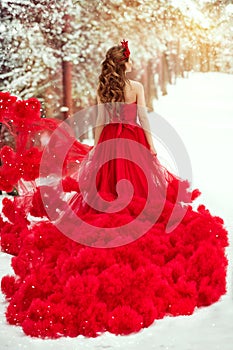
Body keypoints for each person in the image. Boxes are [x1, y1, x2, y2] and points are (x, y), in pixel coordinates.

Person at [0, 40, 228, 339]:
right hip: (132, 142)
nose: (131, 64)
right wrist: (150, 148)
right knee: (140, 194)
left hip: (109, 142)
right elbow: (143, 119)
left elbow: (98, 122)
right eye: (129, 60)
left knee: (104, 196)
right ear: (124, 63)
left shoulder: (103, 88)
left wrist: (98, 150)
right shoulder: (135, 87)